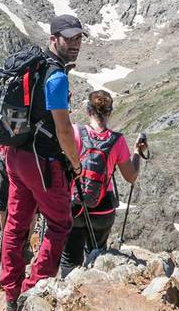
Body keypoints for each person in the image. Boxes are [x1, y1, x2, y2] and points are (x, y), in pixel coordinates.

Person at [0, 14, 86, 310]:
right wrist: (75, 164)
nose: (75, 44)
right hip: (43, 163)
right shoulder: (57, 77)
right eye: (69, 38)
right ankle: (33, 290)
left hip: (15, 155)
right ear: (53, 39)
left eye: (78, 38)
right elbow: (63, 130)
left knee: (16, 223)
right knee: (60, 224)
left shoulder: (33, 66)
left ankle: (11, 292)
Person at [59, 90, 147, 277]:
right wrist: (137, 153)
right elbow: (131, 176)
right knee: (97, 256)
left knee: (69, 260)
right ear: (110, 112)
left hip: (75, 206)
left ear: (88, 110)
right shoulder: (117, 140)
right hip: (103, 210)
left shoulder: (75, 132)